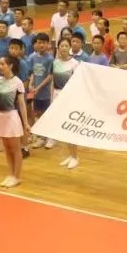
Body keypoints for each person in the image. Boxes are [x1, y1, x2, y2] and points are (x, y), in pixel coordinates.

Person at [0, 55, 30, 188]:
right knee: (6, 148)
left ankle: (17, 176)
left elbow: (22, 104)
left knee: (15, 149)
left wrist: (25, 123)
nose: (0, 67)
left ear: (10, 66)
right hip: (0, 117)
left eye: (3, 64)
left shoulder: (17, 82)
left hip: (11, 117)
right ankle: (10, 174)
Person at [51, 39, 81, 169]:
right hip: (57, 95)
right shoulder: (55, 62)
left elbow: (78, 82)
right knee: (63, 127)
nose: (63, 48)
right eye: (61, 46)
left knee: (71, 127)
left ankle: (75, 156)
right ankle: (70, 154)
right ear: (58, 47)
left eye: (66, 46)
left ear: (69, 48)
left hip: (69, 96)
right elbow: (53, 81)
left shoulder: (75, 63)